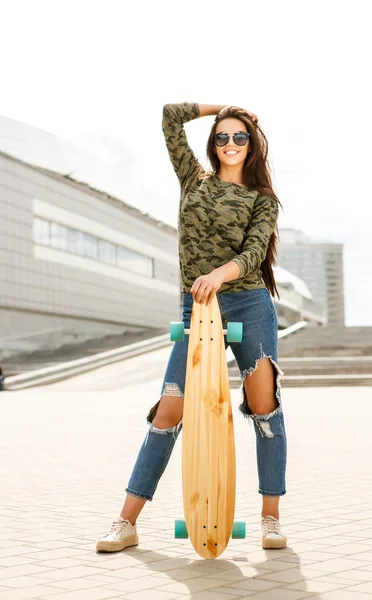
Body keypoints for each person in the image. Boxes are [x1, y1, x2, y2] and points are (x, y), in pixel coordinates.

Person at [96, 103, 288, 553]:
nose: (230, 145)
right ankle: (126, 522)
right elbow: (169, 116)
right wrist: (220, 108)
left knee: (265, 410)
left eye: (240, 137)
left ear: (253, 144)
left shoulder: (264, 200)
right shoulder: (192, 178)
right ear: (212, 142)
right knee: (168, 413)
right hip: (195, 310)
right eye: (222, 136)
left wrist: (219, 275)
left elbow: (254, 252)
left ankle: (271, 519)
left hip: (248, 305)